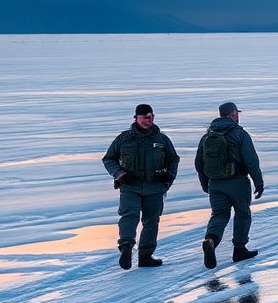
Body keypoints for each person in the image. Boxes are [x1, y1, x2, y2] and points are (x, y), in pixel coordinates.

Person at [102, 103, 179, 269]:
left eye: (151, 117)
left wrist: (168, 178)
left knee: (152, 221)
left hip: (155, 187)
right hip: (130, 186)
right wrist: (120, 174)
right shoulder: (124, 138)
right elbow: (108, 159)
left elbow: (173, 159)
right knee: (129, 216)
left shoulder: (161, 139)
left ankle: (145, 256)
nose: (148, 120)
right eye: (145, 117)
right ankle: (126, 247)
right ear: (136, 118)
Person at [194, 101, 265, 268]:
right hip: (237, 182)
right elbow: (251, 161)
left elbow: (199, 162)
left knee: (219, 214)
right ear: (232, 114)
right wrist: (258, 182)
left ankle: (211, 240)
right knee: (242, 214)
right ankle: (239, 249)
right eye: (237, 113)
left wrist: (206, 184)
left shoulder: (207, 135)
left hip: (215, 183)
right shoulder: (240, 134)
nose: (238, 116)